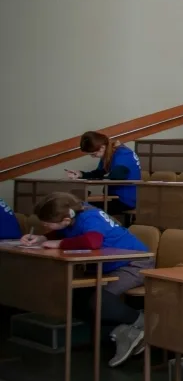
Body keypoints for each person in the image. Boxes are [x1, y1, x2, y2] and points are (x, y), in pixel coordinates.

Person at [21, 193, 153, 366]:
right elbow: (64, 231)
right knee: (75, 298)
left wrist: (59, 243)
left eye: (47, 223)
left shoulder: (90, 216)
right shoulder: (71, 213)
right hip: (109, 265)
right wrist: (44, 238)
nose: (44, 226)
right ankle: (125, 332)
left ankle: (142, 322)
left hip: (135, 264)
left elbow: (93, 242)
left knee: (99, 302)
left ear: (66, 219)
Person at [66, 132, 141, 218]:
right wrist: (80, 174)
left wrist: (97, 179)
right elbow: (99, 173)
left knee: (80, 208)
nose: (93, 157)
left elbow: (116, 177)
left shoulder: (123, 154)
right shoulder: (110, 153)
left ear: (102, 147)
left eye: (93, 154)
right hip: (114, 197)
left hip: (125, 200)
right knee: (78, 205)